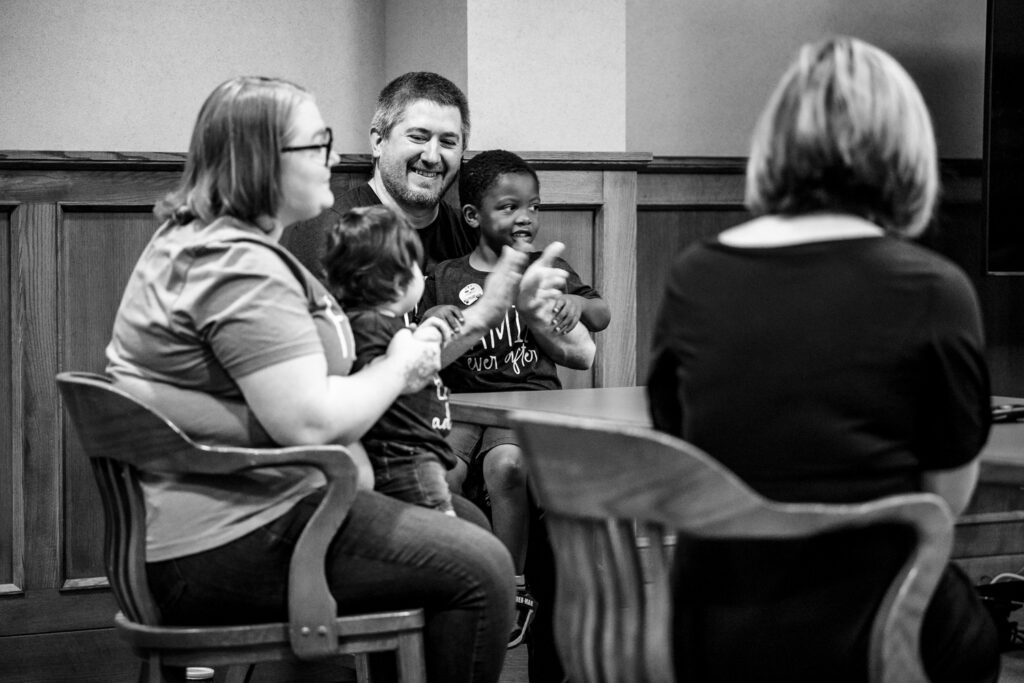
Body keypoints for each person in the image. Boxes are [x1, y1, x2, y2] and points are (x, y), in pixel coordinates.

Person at [100, 75, 579, 683]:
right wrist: (405, 365)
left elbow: (352, 358)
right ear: (261, 161)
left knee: (472, 522)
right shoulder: (235, 266)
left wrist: (486, 310)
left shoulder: (220, 245)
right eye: (315, 143)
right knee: (482, 565)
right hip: (238, 536)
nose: (332, 156)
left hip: (245, 512)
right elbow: (310, 417)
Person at [647, 37, 999, 682]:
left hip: (709, 626)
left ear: (777, 144)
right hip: (870, 628)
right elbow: (943, 501)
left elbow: (679, 443)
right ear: (904, 150)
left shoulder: (693, 275)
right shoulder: (933, 288)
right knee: (971, 633)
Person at [420, 149, 611, 649]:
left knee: (507, 466)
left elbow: (599, 316)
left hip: (527, 404)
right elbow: (426, 340)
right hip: (461, 405)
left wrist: (572, 304)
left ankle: (512, 589)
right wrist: (437, 317)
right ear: (472, 216)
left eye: (533, 206)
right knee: (441, 472)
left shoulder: (549, 268)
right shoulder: (446, 275)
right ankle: (459, 576)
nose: (525, 217)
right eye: (508, 207)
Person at [322, 205, 457, 516]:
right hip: (402, 457)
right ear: (400, 282)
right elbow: (398, 373)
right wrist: (420, 341)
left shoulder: (372, 324)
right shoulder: (370, 325)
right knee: (442, 533)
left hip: (415, 454)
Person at [281, 71, 476, 277]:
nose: (432, 157)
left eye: (447, 142)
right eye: (418, 137)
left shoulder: (472, 234)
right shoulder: (331, 235)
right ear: (378, 142)